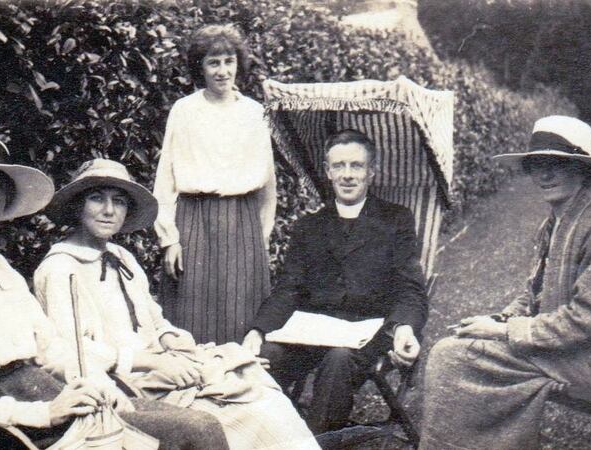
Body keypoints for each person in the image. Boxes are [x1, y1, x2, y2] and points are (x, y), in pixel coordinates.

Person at [0, 134, 227, 449]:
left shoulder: (0, 268)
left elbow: (49, 347)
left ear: (6, 200)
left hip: (47, 392)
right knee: (194, 431)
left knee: (203, 421)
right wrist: (44, 413)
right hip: (3, 426)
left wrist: (92, 383)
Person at [35, 158, 320, 449]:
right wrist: (154, 362)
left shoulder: (122, 257)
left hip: (161, 367)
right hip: (122, 386)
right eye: (97, 199)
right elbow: (74, 353)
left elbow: (152, 318)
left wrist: (170, 338)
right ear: (78, 205)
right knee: (243, 413)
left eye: (118, 201)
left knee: (257, 387)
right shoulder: (61, 268)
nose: (109, 210)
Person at [419, 116, 591, 450]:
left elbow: (588, 319)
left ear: (582, 170)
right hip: (566, 348)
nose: (544, 175)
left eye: (556, 164)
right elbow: (532, 295)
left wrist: (502, 333)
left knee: (452, 358)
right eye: (537, 165)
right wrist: (499, 320)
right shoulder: (552, 225)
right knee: (456, 350)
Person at [241, 129, 429, 434]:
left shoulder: (396, 220)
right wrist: (257, 330)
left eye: (356, 166)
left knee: (338, 361)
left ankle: (317, 442)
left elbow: (410, 289)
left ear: (371, 172)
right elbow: (289, 288)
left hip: (368, 330)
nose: (348, 175)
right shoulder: (308, 226)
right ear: (328, 172)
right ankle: (264, 438)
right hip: (313, 330)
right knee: (265, 358)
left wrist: (405, 328)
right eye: (339, 166)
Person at [153, 23, 276, 345]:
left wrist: (260, 238)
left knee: (242, 314)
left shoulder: (254, 113)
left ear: (239, 63)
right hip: (194, 221)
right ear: (201, 68)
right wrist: (170, 239)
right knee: (191, 317)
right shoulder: (185, 111)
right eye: (213, 62)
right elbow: (165, 177)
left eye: (229, 61)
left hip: (243, 222)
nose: (223, 71)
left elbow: (267, 185)